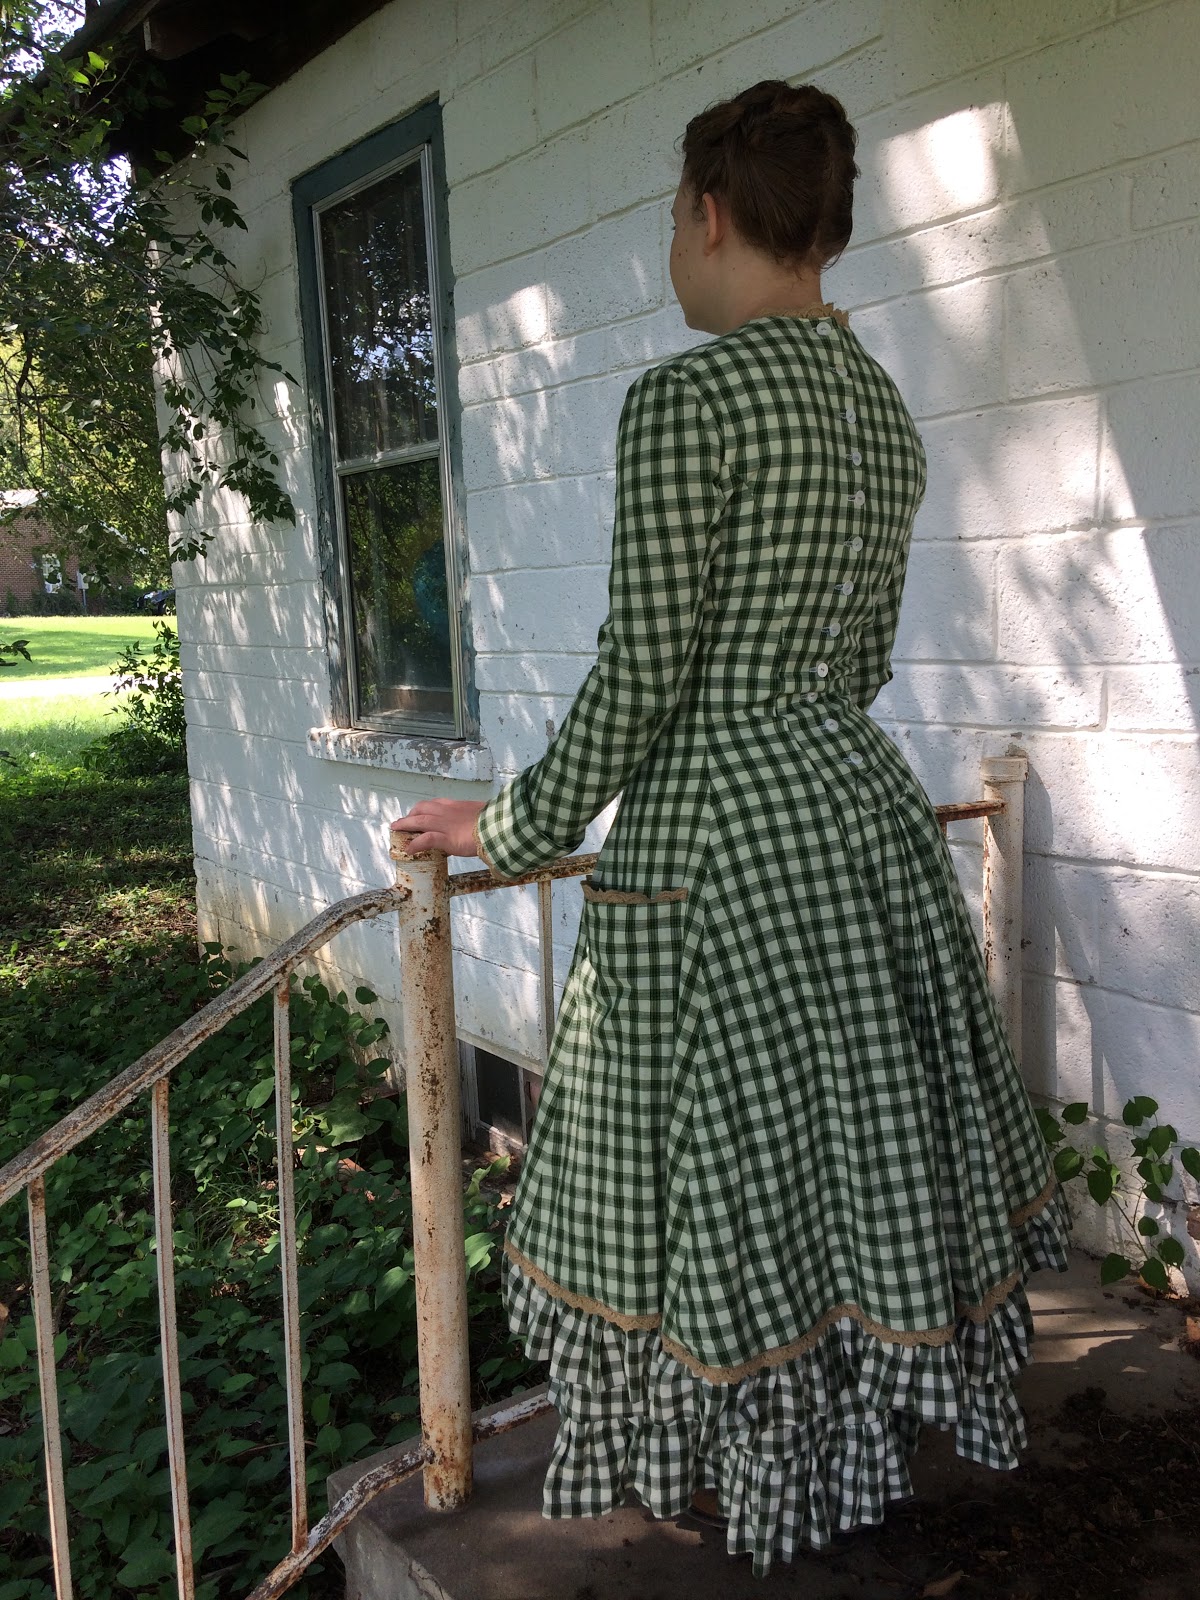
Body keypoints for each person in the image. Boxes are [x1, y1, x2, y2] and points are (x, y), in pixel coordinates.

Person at [391, 79, 1070, 1579]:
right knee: (847, 1156)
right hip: (854, 810)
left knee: (718, 1169)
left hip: (718, 842)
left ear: (708, 212)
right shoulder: (878, 406)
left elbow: (646, 672)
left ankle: (760, 1478)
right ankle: (857, 1445)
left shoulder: (687, 401)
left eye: (671, 223)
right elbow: (865, 650)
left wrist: (509, 825)